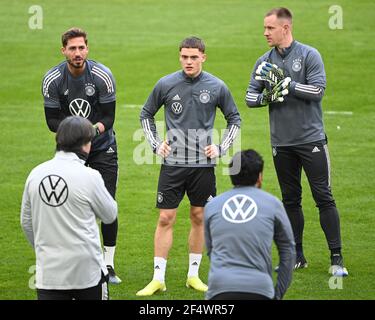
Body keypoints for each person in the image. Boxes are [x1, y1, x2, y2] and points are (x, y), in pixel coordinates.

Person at [245, 7, 348, 276]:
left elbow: (317, 91)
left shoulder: (309, 55)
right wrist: (268, 97)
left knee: (323, 196)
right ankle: (297, 256)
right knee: (290, 200)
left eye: (270, 28)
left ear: (285, 28)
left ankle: (336, 258)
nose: (265, 32)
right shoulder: (263, 61)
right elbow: (249, 97)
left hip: (311, 140)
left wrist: (287, 84)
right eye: (264, 28)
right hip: (282, 143)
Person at [137, 36, 241, 296]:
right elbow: (146, 113)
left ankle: (193, 276)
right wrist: (154, 144)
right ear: (179, 57)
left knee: (199, 217)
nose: (189, 61)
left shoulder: (217, 86)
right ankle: (158, 278)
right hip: (173, 164)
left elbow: (234, 119)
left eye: (194, 57)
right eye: (184, 56)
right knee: (165, 218)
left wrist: (220, 148)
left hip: (202, 166)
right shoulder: (166, 84)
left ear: (203, 57)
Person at [41, 28, 121, 283]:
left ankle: (108, 266)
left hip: (102, 147)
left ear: (87, 48)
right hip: (70, 151)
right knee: (68, 203)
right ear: (63, 50)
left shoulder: (102, 76)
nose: (77, 53)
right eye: (72, 48)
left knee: (108, 203)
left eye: (81, 48)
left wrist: (89, 131)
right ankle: (73, 261)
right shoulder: (52, 79)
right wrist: (77, 134)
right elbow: (52, 121)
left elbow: (108, 117)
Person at [20, 116, 117, 300]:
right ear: (85, 144)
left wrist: (44, 249)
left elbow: (26, 222)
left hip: (49, 273)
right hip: (87, 272)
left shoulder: (35, 174)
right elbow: (110, 214)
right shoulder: (90, 176)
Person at [204, 149, 295, 300]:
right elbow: (288, 250)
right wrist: (277, 294)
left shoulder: (212, 206)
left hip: (219, 289)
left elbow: (211, 250)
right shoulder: (273, 204)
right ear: (259, 177)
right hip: (260, 290)